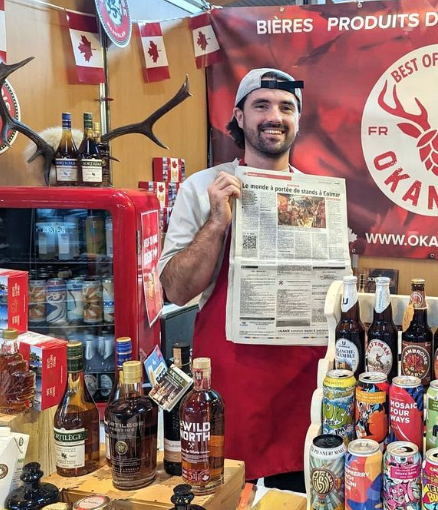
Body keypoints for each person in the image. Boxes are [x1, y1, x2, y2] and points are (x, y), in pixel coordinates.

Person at [158, 68, 324, 488]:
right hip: (232, 368)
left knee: (299, 487)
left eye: (286, 107)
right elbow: (176, 289)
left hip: (301, 373)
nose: (275, 116)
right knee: (226, 485)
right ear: (239, 115)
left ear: (298, 119)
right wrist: (217, 221)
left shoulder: (319, 197)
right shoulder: (202, 188)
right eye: (261, 105)